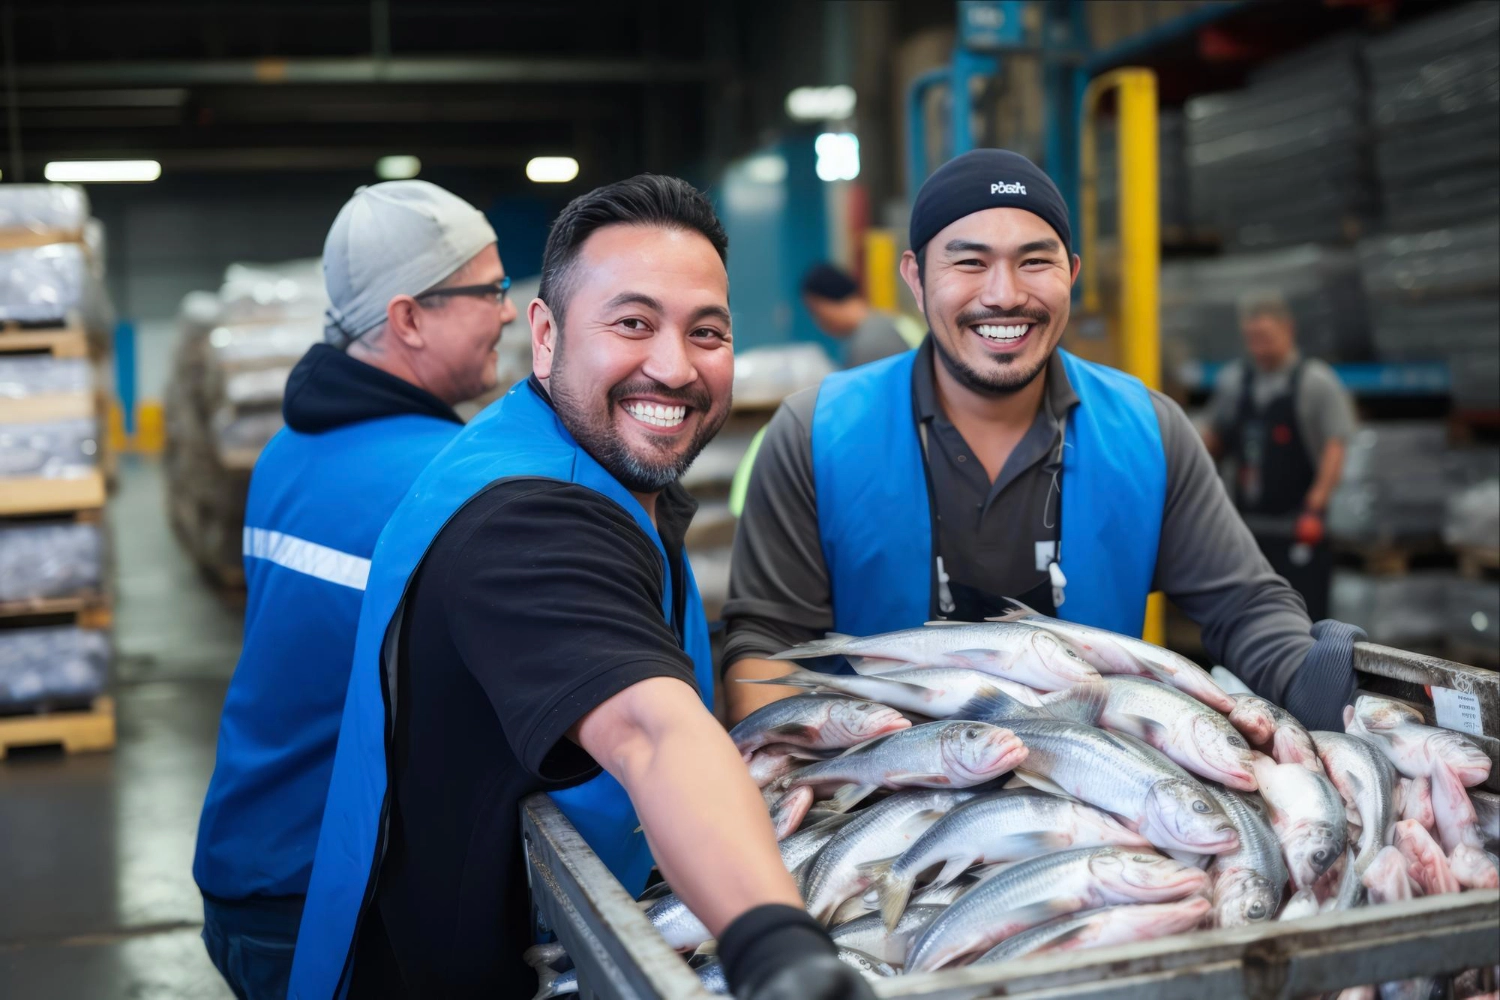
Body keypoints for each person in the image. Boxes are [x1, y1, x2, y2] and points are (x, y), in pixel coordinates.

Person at [288, 175, 874, 1000]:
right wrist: (778, 946)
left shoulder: (589, 460)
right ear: (547, 334)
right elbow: (650, 731)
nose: (673, 367)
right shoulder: (523, 521)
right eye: (632, 323)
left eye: (706, 331)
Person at [723, 148, 1364, 734]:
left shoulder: (1147, 431)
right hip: (874, 804)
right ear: (915, 279)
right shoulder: (817, 432)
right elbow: (767, 644)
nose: (1004, 295)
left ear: (1072, 275)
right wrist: (802, 781)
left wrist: (1330, 692)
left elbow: (1244, 606)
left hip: (1095, 810)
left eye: (1035, 261)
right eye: (969, 262)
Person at [191, 180, 515, 999]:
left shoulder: (284, 457)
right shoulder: (440, 482)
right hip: (323, 893)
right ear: (407, 318)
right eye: (490, 291)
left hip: (245, 859)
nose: (510, 313)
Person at [1201, 292, 1357, 621]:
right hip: (1246, 531)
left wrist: (1316, 505)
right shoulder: (1235, 382)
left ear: (1288, 329)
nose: (1258, 345)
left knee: (1303, 621)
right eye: (1252, 338)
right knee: (1245, 619)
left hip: (1297, 529)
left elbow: (1335, 445)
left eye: (1265, 337)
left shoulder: (1315, 382)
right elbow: (1212, 439)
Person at [801, 261, 925, 368]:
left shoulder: (868, 344)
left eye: (815, 311)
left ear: (825, 303)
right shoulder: (890, 320)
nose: (818, 322)